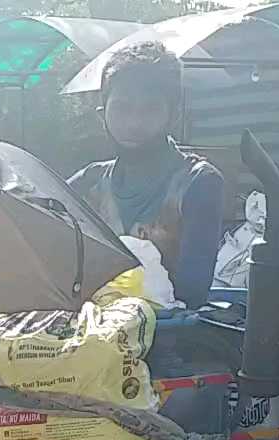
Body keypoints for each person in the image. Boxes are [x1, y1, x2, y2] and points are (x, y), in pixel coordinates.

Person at [68, 40, 225, 309]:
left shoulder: (198, 184)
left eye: (150, 109)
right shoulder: (87, 184)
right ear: (101, 114)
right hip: (90, 337)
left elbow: (191, 295)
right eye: (122, 108)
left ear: (173, 116)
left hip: (172, 340)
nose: (134, 123)